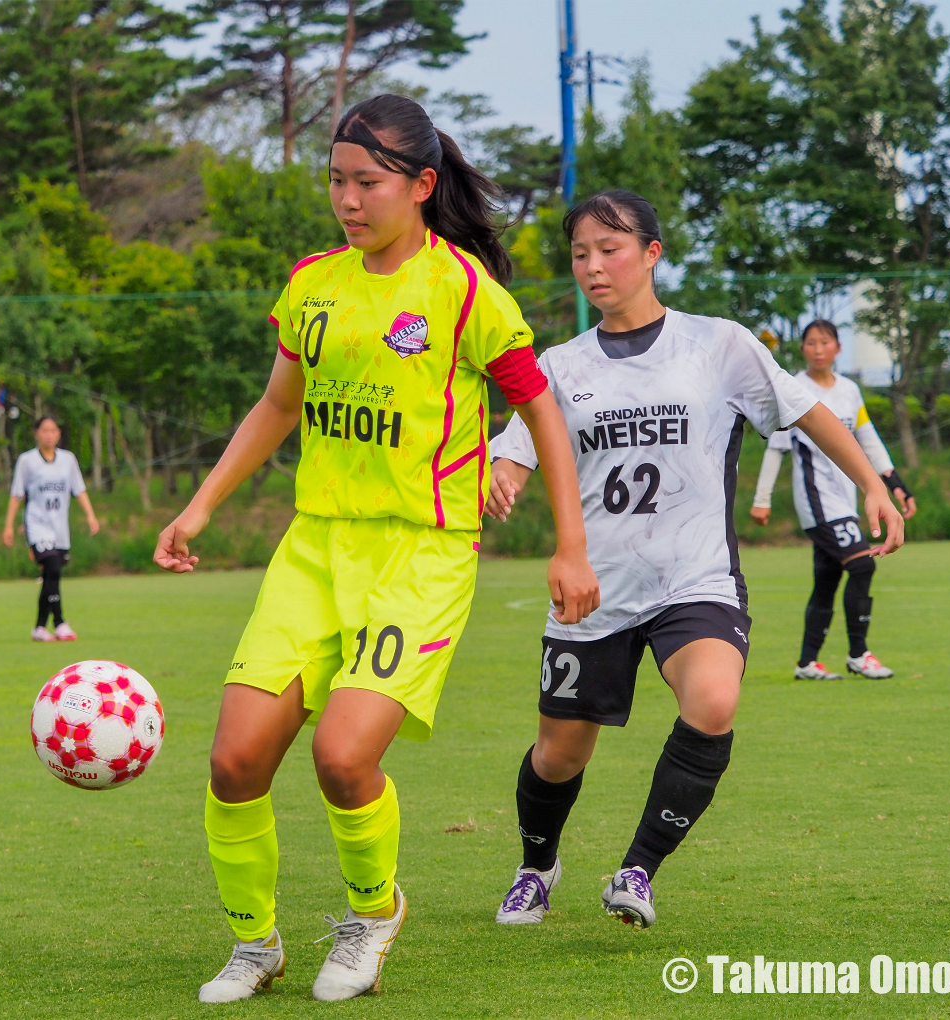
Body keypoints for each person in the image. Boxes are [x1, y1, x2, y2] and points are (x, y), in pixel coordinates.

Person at [153, 94, 598, 1004]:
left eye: (367, 183)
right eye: (336, 181)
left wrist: (571, 545)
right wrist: (198, 508)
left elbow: (541, 410)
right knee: (235, 760)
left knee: (343, 756)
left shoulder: (464, 292)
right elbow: (278, 405)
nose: (348, 200)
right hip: (314, 549)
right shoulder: (312, 284)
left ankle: (372, 914)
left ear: (422, 185)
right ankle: (254, 943)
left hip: (421, 556)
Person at [485, 190, 905, 931]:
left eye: (609, 250)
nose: (592, 266)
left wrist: (872, 482)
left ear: (652, 253)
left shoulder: (719, 345)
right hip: (594, 589)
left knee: (712, 702)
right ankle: (536, 867)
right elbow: (517, 451)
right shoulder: (559, 365)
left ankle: (638, 870)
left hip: (695, 578)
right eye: (580, 254)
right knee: (558, 755)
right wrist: (501, 477)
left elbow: (807, 410)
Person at [750, 319, 916, 680]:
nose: (818, 349)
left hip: (846, 501)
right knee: (862, 566)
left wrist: (896, 485)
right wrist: (762, 498)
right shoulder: (793, 387)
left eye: (825, 342)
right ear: (802, 349)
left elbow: (868, 439)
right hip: (817, 502)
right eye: (811, 343)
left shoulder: (850, 391)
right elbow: (776, 448)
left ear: (839, 348)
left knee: (827, 580)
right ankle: (859, 654)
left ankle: (807, 663)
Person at [2, 415, 100, 642]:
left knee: (50, 575)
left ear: (59, 434)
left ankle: (39, 628)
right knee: (53, 567)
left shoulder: (68, 459)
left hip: (59, 528)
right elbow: (17, 494)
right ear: (36, 433)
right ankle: (60, 623)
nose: (49, 435)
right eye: (44, 430)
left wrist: (90, 515)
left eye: (53, 430)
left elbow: (79, 489)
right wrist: (9, 526)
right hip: (36, 525)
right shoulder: (27, 460)